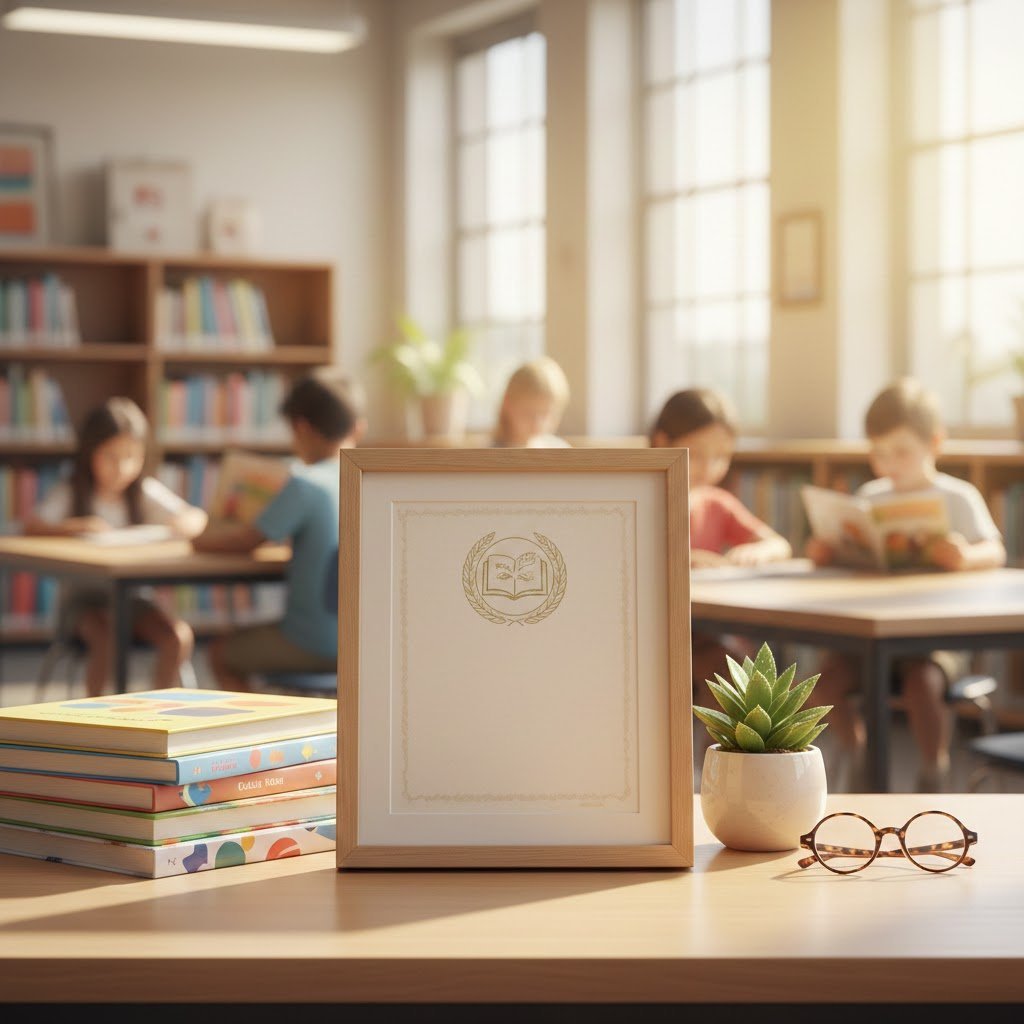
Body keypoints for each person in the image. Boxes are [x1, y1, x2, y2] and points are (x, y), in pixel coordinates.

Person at [806, 377, 1007, 792]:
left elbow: (995, 551)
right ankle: (855, 745)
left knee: (924, 683)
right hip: (869, 634)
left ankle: (934, 765)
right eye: (879, 453)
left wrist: (965, 557)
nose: (889, 464)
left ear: (934, 442)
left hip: (931, 639)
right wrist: (830, 551)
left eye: (901, 452)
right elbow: (854, 553)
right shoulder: (871, 495)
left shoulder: (958, 496)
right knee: (822, 682)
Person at [192, 369, 366, 693]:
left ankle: (250, 738)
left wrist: (198, 542)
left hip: (314, 642)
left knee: (221, 653)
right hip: (365, 642)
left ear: (301, 428)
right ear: (358, 427)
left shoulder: (305, 483)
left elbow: (247, 541)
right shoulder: (367, 481)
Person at [24, 396, 207, 697]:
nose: (121, 468)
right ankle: (98, 718)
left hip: (134, 600)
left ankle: (156, 713)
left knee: (178, 636)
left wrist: (184, 524)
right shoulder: (73, 491)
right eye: (110, 456)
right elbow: (32, 526)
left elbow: (195, 517)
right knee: (106, 637)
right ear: (90, 453)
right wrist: (76, 526)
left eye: (131, 457)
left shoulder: (142, 492)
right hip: (84, 604)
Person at [649, 387, 793, 765]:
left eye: (721, 457)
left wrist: (754, 551)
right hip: (655, 637)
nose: (709, 467)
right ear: (662, 442)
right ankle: (698, 772)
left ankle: (716, 768)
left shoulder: (717, 502)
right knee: (721, 664)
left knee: (732, 667)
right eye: (698, 454)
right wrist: (684, 559)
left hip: (708, 634)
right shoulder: (644, 497)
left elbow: (778, 544)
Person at [491, 356, 571, 448]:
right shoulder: (486, 455)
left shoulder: (560, 450)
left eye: (546, 414)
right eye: (528, 413)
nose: (537, 424)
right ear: (508, 403)